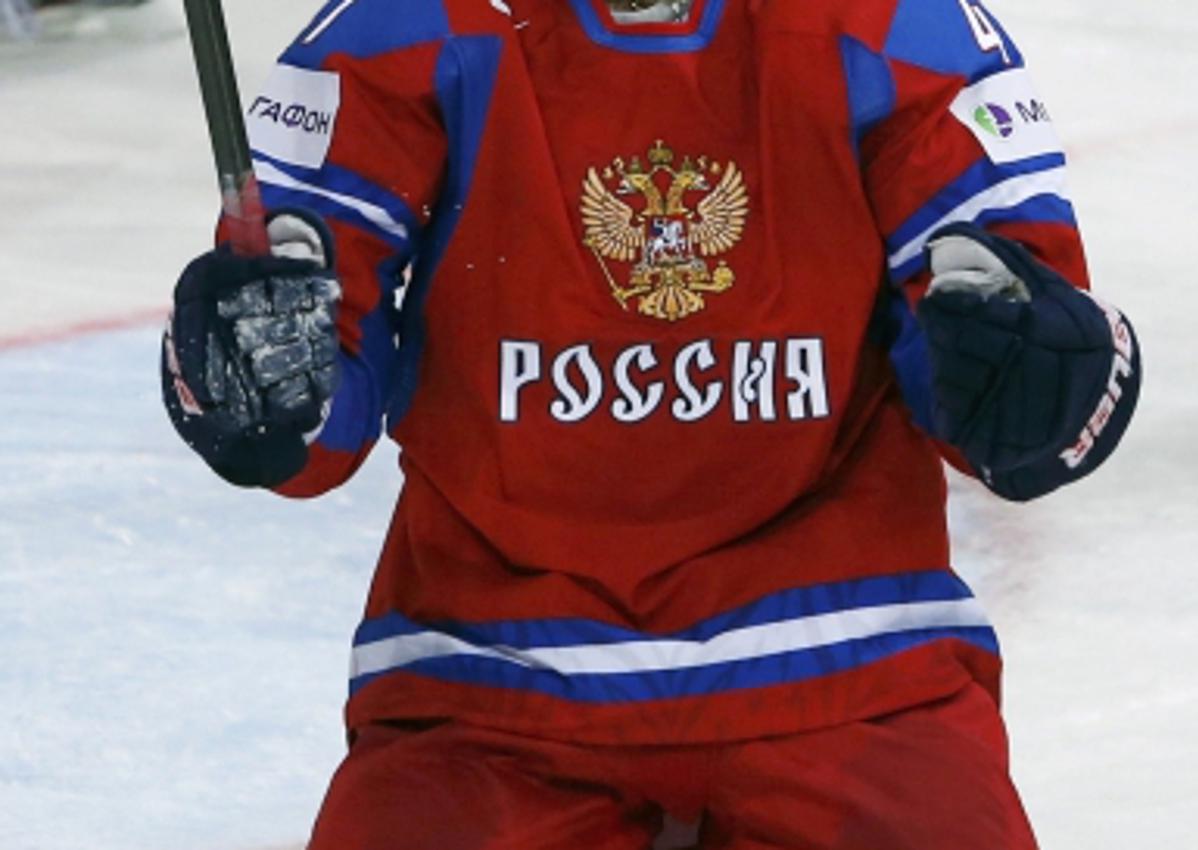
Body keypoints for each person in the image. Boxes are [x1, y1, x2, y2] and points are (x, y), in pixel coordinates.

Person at [161, 0, 1142, 847]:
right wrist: (258, 372)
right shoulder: (411, 27)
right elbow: (308, 424)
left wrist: (1024, 365)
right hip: (492, 683)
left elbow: (1017, 384)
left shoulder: (885, 23)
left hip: (848, 662)